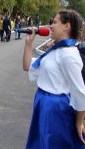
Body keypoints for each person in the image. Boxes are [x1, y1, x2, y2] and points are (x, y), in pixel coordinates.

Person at [23, 10, 85, 149]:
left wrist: (79, 123)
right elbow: (28, 66)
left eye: (55, 22)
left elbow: (81, 93)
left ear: (66, 26)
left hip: (56, 108)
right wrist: (28, 44)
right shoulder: (56, 51)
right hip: (43, 102)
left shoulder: (68, 55)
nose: (51, 25)